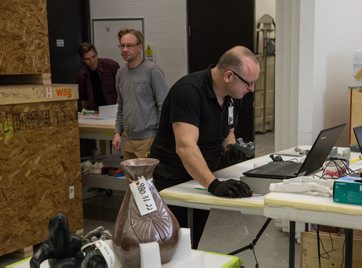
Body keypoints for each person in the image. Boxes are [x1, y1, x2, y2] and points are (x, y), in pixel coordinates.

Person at [149, 45, 259, 248]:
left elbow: (228, 131)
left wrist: (231, 149)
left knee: (192, 242)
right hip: (172, 179)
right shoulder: (189, 92)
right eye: (249, 83)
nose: (252, 89)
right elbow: (185, 146)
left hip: (200, 177)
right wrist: (214, 184)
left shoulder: (233, 97)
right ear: (228, 76)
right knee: (171, 246)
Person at [112, 28, 168, 159]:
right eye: (122, 45)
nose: (125, 49)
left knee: (148, 179)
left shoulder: (152, 71)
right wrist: (117, 132)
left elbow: (164, 106)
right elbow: (121, 106)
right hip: (128, 139)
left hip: (149, 139)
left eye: (129, 45)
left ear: (140, 47)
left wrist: (160, 137)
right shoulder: (120, 73)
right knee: (131, 179)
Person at [76, 42, 120, 111]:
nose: (92, 61)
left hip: (114, 108)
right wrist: (85, 114)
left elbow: (123, 89)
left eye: (94, 57)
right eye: (87, 59)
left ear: (96, 54)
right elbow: (83, 98)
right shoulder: (82, 74)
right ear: (83, 60)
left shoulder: (111, 66)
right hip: (95, 111)